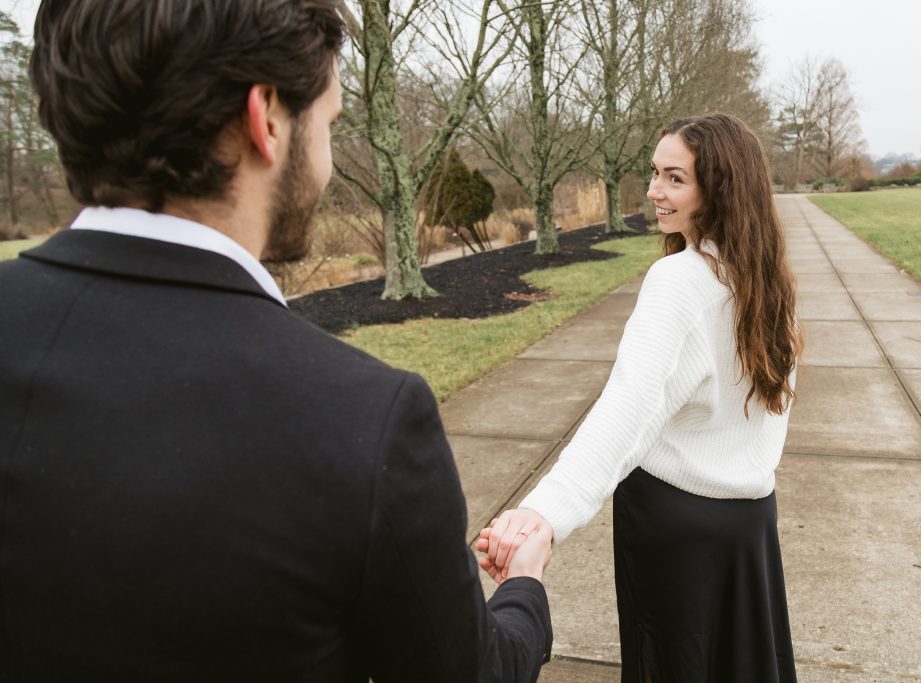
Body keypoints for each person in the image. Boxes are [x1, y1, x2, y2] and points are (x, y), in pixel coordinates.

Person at [0, 1, 553, 680]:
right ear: (265, 118)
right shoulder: (363, 421)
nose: (323, 158)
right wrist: (524, 592)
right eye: (327, 122)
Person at [478, 114, 802, 682]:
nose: (653, 191)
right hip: (748, 526)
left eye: (674, 178)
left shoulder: (680, 280)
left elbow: (627, 411)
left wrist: (542, 515)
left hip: (677, 528)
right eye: (654, 174)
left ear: (719, 189)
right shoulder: (764, 275)